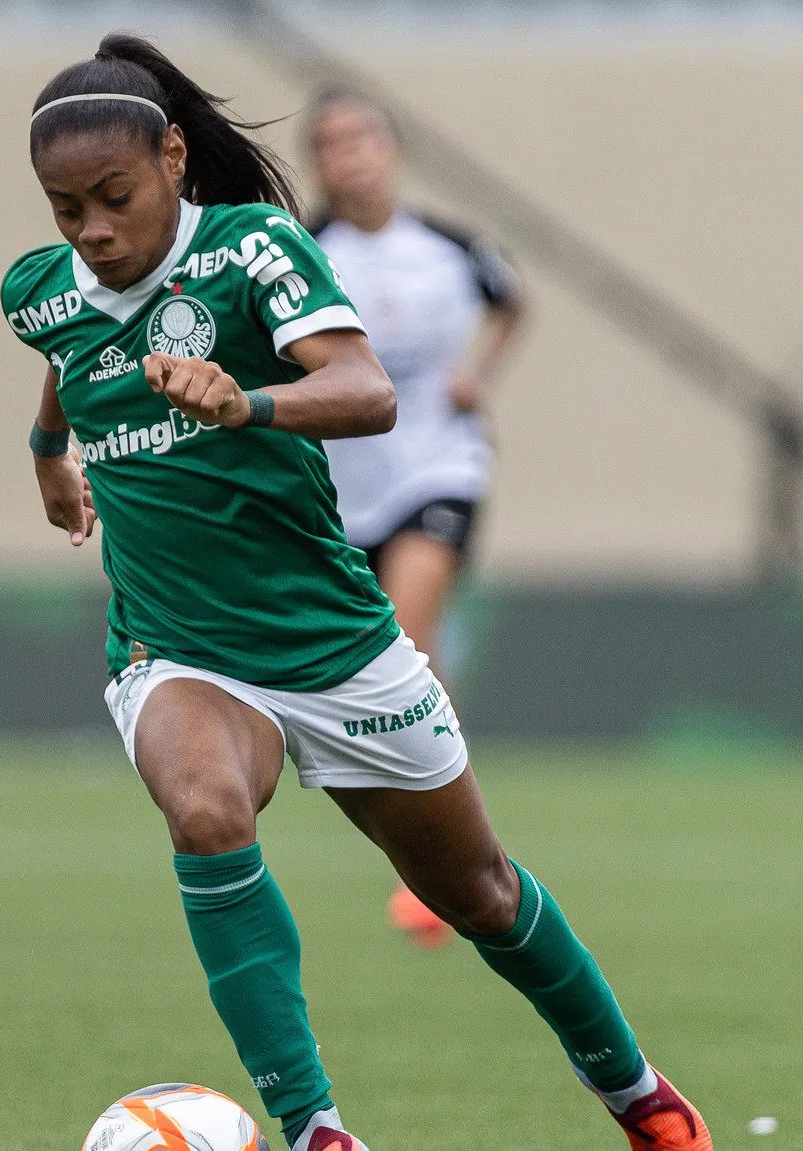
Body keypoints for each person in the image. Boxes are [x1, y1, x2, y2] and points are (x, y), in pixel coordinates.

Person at [3, 35, 710, 1151]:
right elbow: (59, 351)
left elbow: (365, 387)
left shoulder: (252, 250)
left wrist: (248, 405)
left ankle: (636, 1091)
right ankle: (316, 1128)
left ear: (175, 160)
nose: (90, 230)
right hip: (175, 645)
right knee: (204, 808)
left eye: (112, 197)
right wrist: (48, 453)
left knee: (476, 889)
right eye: (63, 208)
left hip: (330, 641)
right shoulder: (42, 289)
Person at [303, 88, 529, 950]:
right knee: (396, 669)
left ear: (390, 150)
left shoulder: (448, 247)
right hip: (344, 492)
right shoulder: (304, 255)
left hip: (440, 468)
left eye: (361, 138)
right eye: (329, 143)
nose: (348, 155)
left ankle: (444, 870)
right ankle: (446, 842)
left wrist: (479, 370)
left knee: (405, 634)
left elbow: (513, 301)